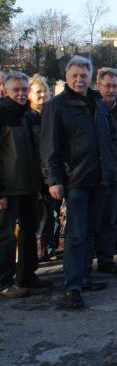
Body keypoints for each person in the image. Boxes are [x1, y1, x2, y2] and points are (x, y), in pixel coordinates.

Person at [41, 56, 117, 309]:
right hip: (76, 180)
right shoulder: (57, 106)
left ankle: (84, 277)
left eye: (83, 75)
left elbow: (109, 137)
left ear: (90, 77)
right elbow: (49, 146)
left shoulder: (97, 101)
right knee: (75, 234)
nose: (79, 79)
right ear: (66, 76)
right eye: (74, 75)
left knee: (91, 231)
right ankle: (72, 285)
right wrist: (53, 179)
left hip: (100, 177)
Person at [0, 72, 49, 298]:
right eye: (15, 90)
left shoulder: (29, 117)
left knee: (30, 232)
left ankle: (27, 274)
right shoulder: (2, 115)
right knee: (6, 236)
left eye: (23, 90)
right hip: (8, 189)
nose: (20, 94)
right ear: (6, 91)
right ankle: (4, 282)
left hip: (30, 186)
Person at [93, 68, 117, 274]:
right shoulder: (91, 108)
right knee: (92, 221)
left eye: (115, 86)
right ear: (98, 86)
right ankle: (86, 261)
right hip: (95, 174)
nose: (111, 90)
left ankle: (106, 260)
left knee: (110, 219)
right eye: (107, 86)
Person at [29, 75, 59, 261]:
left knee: (51, 215)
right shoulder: (27, 118)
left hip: (52, 175)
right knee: (34, 220)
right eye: (37, 92)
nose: (42, 95)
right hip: (34, 177)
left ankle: (49, 249)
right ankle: (36, 254)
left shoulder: (51, 114)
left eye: (44, 91)